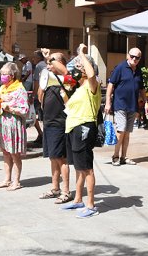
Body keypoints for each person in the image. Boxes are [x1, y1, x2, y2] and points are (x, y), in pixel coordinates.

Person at [60, 45, 100, 219]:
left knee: (87, 168)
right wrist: (65, 95)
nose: (76, 70)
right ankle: (78, 199)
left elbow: (91, 74)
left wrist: (82, 54)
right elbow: (69, 106)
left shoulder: (92, 84)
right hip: (73, 127)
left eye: (79, 67)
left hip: (84, 127)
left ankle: (91, 204)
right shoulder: (78, 88)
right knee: (78, 167)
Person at [37, 51, 73, 204]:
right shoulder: (49, 79)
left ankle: (66, 191)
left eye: (53, 62)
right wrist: (42, 85)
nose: (49, 65)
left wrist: (49, 58)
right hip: (49, 122)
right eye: (49, 63)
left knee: (61, 158)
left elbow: (66, 73)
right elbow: (40, 97)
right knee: (52, 157)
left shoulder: (68, 80)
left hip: (60, 123)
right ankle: (55, 188)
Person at [0, 61, 29, 191]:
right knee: (5, 153)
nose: (2, 77)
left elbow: (25, 110)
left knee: (14, 154)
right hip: (1, 125)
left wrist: (10, 108)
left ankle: (16, 181)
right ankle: (7, 179)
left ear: (12, 75)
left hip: (13, 126)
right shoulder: (2, 88)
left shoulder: (20, 89)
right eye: (1, 74)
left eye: (4, 74)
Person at [105, 47, 148, 166]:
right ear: (128, 56)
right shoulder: (120, 67)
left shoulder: (138, 70)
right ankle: (115, 156)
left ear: (140, 59)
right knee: (121, 130)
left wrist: (146, 102)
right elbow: (110, 85)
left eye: (137, 57)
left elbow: (141, 89)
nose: (134, 59)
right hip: (120, 104)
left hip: (132, 105)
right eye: (132, 56)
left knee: (127, 132)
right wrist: (108, 102)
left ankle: (123, 156)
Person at [31, 48, 48, 147]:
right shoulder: (45, 65)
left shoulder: (38, 66)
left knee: (33, 115)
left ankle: (41, 134)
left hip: (39, 94)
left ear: (38, 57)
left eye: (34, 57)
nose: (33, 59)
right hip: (46, 94)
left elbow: (37, 82)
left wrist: (33, 95)